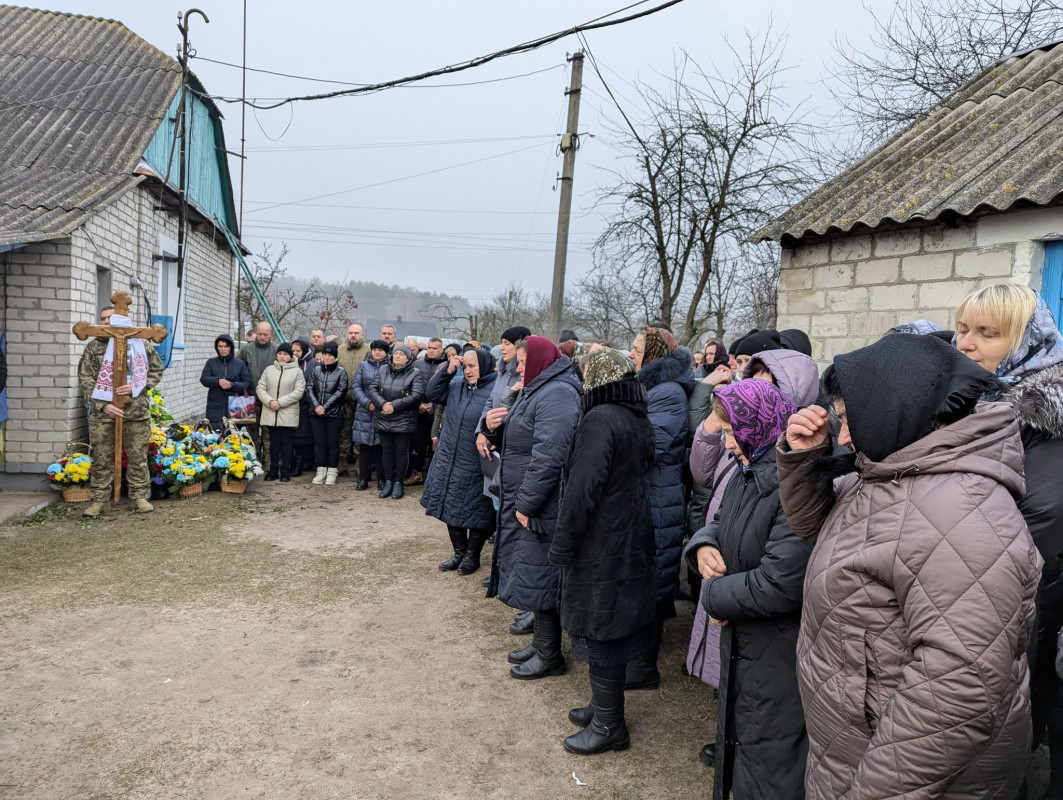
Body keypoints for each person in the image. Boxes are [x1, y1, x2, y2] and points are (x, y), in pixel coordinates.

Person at [778, 334, 1041, 799]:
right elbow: (823, 533)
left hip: (905, 776)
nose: (842, 436)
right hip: (857, 747)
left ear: (897, 405)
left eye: (851, 418)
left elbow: (960, 688)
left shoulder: (962, 512)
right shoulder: (891, 468)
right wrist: (804, 461)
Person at [685, 347, 820, 768]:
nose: (726, 442)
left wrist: (715, 596)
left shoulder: (789, 485)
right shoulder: (749, 468)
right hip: (746, 630)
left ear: (755, 424)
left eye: (730, 431)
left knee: (765, 757)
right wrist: (704, 545)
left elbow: (779, 580)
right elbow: (721, 517)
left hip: (771, 643)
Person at [954, 284, 1063, 796]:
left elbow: (1041, 519)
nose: (966, 343)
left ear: (1026, 342)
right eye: (962, 329)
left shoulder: (1046, 420)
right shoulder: (975, 403)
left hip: (1020, 607)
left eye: (986, 333)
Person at [549, 348, 656, 755]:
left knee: (602, 629)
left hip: (602, 543)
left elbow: (581, 490)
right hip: (629, 539)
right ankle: (601, 706)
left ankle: (610, 723)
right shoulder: (635, 417)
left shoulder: (599, 419)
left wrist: (562, 545)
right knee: (609, 624)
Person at [483, 335, 581, 680]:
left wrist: (525, 503)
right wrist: (493, 427)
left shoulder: (557, 394)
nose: (517, 368)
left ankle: (550, 654)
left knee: (543, 576)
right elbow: (523, 437)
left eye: (522, 363)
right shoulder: (537, 389)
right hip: (530, 501)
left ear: (539, 361)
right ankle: (542, 645)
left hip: (543, 505)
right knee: (533, 573)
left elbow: (550, 456)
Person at [626, 326, 694, 690]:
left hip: (660, 497)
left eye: (637, 348)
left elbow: (654, 442)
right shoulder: (654, 387)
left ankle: (643, 669)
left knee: (653, 581)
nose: (632, 354)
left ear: (653, 353)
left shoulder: (667, 392)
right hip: (652, 494)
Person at [77, 305, 164, 516]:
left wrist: (137, 386)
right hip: (104, 413)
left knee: (137, 456)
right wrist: (103, 405)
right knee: (101, 457)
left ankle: (139, 497)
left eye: (109, 318)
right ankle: (99, 500)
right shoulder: (94, 347)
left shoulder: (140, 343)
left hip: (135, 411)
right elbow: (86, 378)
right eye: (102, 319)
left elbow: (156, 370)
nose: (106, 322)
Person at [421, 347, 498, 574]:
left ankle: (472, 556)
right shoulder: (456, 386)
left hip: (475, 460)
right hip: (448, 456)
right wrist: (448, 370)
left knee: (478, 510)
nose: (468, 371)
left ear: (484, 365)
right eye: (465, 367)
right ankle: (459, 552)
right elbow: (431, 392)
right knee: (450, 505)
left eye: (472, 366)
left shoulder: (494, 390)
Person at [369, 342, 425, 499]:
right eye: (396, 353)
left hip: (403, 419)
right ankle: (388, 482)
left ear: (408, 359)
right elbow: (373, 389)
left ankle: (399, 482)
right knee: (386, 451)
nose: (398, 356)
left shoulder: (415, 373)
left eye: (402, 354)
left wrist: (394, 405)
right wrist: (383, 404)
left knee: (401, 452)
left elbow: (416, 395)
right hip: (383, 416)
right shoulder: (382, 369)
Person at [256, 342, 305, 482]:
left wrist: (280, 402)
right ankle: (273, 470)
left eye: (285, 354)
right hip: (271, 411)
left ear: (290, 356)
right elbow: (260, 388)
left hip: (287, 412)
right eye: (280, 354)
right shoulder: (269, 370)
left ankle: (285, 470)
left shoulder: (297, 372)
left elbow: (299, 391)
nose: (282, 357)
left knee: (286, 443)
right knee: (273, 443)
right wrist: (270, 402)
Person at [307, 341, 348, 486]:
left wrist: (325, 406)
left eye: (330, 354)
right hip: (316, 412)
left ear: (335, 356)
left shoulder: (341, 372)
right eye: (324, 354)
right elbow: (310, 388)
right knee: (319, 442)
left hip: (334, 413)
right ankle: (321, 470)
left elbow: (340, 391)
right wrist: (317, 405)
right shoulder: (316, 370)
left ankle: (332, 471)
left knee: (332, 442)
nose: (327, 357)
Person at [408, 337, 447, 485]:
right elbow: (410, 386)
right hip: (418, 412)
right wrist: (419, 404)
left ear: (441, 350)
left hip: (437, 413)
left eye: (435, 348)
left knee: (435, 444)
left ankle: (432, 476)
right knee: (417, 444)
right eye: (429, 347)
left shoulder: (446, 366)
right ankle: (416, 473)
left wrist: (434, 405)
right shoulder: (416, 364)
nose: (431, 350)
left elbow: (445, 388)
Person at [351, 340, 389, 491]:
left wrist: (381, 404)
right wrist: (367, 403)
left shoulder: (390, 367)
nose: (377, 352)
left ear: (386, 352)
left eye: (380, 350)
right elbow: (356, 386)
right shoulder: (363, 365)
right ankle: (363, 479)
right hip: (364, 411)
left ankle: (381, 479)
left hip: (384, 411)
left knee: (381, 447)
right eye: (375, 349)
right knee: (365, 447)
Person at [238, 321, 278, 464]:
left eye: (265, 334)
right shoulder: (246, 349)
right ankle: (252, 460)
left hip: (269, 399)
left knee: (268, 432)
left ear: (271, 334)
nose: (262, 337)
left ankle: (268, 460)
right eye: (259, 334)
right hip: (249, 398)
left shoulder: (276, 350)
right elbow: (239, 369)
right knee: (250, 431)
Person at [336, 324, 369, 477]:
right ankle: (342, 463)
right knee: (343, 431)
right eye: (350, 333)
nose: (353, 335)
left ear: (362, 334)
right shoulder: (339, 350)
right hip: (344, 399)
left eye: (356, 333)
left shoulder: (369, 350)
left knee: (361, 433)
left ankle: (359, 464)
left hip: (363, 400)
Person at [200, 334, 251, 429]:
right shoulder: (211, 362)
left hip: (236, 407)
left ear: (231, 347)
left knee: (235, 438)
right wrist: (218, 381)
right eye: (220, 346)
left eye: (226, 346)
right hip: (215, 406)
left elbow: (247, 383)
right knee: (215, 436)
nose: (223, 349)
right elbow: (204, 379)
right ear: (217, 347)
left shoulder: (240, 364)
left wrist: (232, 385)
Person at [290, 337, 315, 477]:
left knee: (305, 435)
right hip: (292, 404)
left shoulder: (313, 364)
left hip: (306, 403)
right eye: (293, 350)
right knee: (294, 436)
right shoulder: (290, 362)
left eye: (298, 351)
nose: (295, 353)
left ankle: (305, 462)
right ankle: (296, 463)